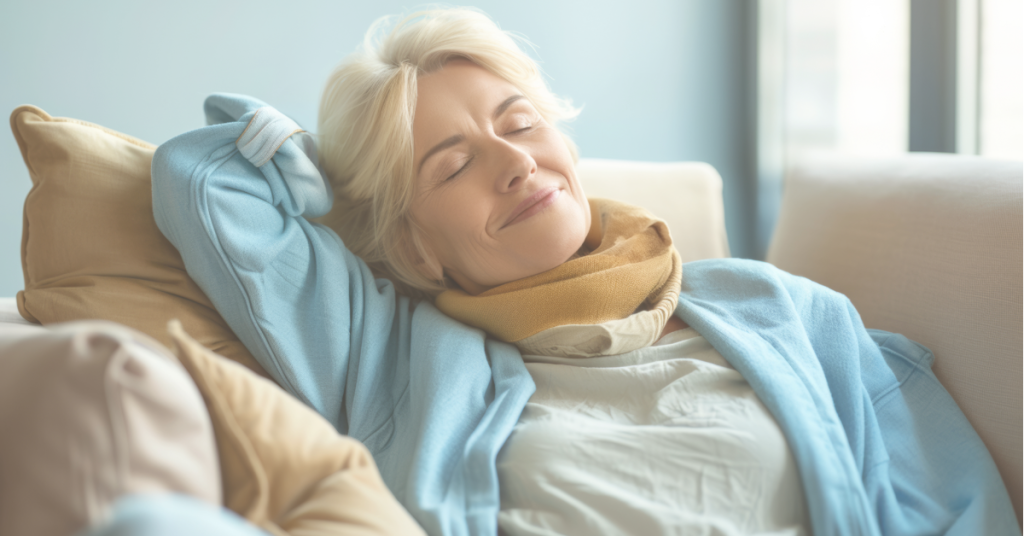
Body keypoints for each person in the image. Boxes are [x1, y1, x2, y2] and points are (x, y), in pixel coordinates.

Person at [152, 8, 1018, 536]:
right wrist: (314, 169)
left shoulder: (789, 314)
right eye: (451, 166)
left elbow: (955, 509)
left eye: (520, 123)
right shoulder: (392, 364)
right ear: (415, 249)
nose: (514, 163)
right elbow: (201, 184)